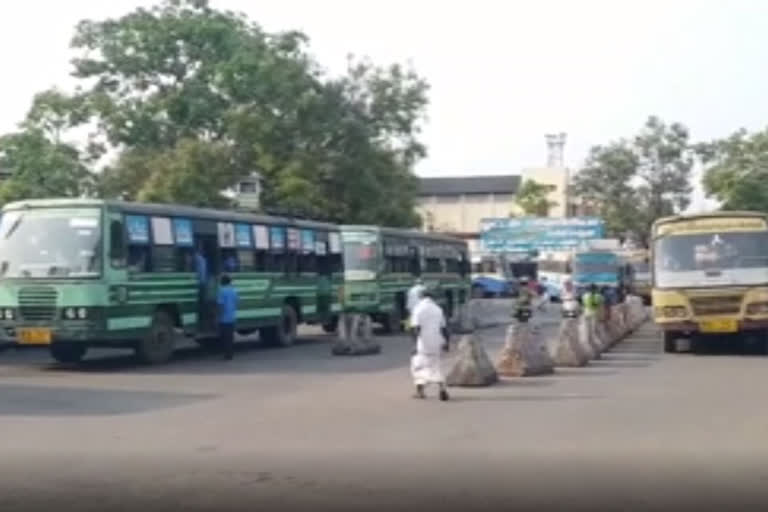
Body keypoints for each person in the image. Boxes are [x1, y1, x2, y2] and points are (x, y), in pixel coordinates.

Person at [410, 287, 450, 401]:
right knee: (435, 365)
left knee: (418, 366)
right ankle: (442, 388)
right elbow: (444, 328)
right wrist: (447, 343)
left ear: (421, 297)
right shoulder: (438, 309)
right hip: (437, 340)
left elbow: (416, 328)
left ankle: (420, 391)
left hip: (423, 341)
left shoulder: (418, 309)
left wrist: (415, 343)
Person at [217, 274, 239, 360]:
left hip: (223, 318)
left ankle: (226, 354)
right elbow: (237, 302)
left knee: (224, 337)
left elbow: (220, 305)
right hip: (232, 317)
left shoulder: (221, 291)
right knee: (230, 337)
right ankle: (230, 354)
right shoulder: (233, 291)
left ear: (222, 282)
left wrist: (218, 315)